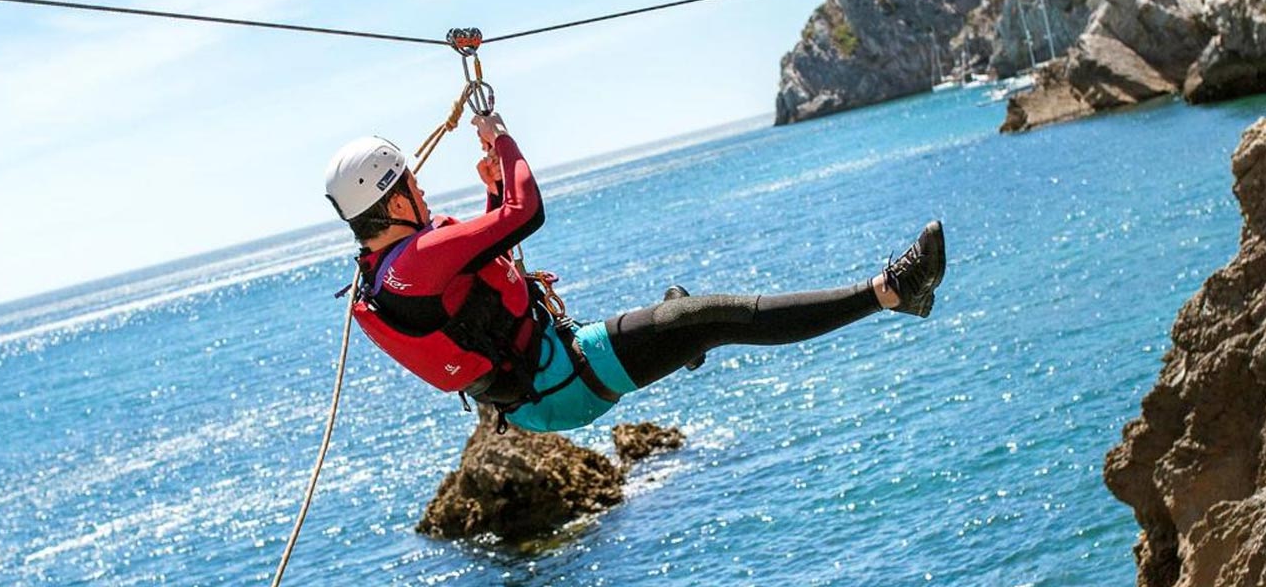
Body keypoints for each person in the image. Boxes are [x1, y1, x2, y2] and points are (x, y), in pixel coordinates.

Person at [323, 114, 947, 432]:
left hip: (541, 386)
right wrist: (504, 143)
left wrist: (491, 191)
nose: (422, 189)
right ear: (393, 200)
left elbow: (479, 279)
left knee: (678, 323)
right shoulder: (418, 259)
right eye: (412, 184)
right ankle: (893, 292)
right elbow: (525, 213)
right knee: (712, 318)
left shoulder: (388, 271)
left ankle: (678, 336)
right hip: (563, 381)